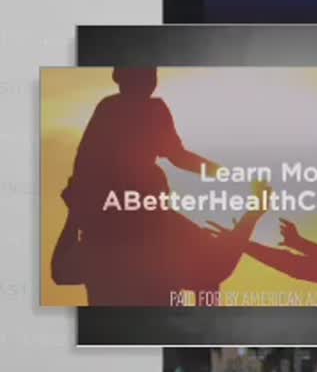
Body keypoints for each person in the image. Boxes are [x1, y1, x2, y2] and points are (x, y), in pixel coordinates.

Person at [50, 67, 266, 304]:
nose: (151, 81)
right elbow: (179, 157)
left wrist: (76, 214)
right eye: (146, 74)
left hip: (108, 215)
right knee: (209, 275)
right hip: (138, 212)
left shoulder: (107, 109)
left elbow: (60, 272)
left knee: (208, 274)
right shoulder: (151, 110)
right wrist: (238, 189)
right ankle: (203, 326)